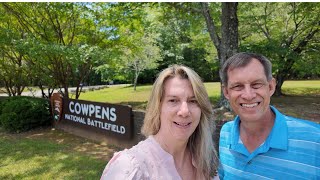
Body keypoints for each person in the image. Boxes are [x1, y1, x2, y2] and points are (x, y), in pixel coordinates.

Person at [101, 65, 219, 180]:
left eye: (193, 101)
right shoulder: (131, 167)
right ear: (158, 107)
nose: (184, 111)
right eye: (173, 100)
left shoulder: (205, 161)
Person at [218, 52, 320, 179]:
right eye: (238, 86)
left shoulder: (315, 139)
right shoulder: (226, 133)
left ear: (271, 86)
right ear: (226, 92)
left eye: (256, 84)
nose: (248, 95)